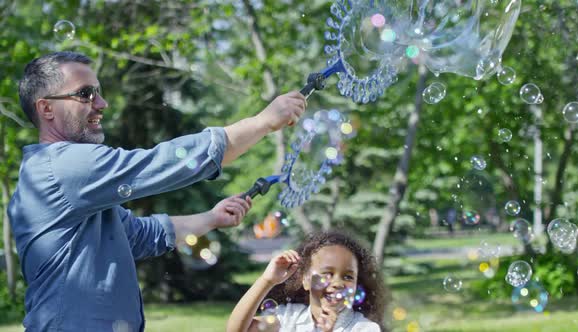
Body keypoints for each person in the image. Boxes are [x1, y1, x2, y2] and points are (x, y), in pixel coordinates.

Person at [7, 51, 306, 331]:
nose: (101, 104)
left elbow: (138, 235)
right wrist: (263, 121)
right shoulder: (62, 167)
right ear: (46, 107)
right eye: (86, 94)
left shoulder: (71, 186)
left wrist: (212, 218)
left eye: (98, 92)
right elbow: (162, 163)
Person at [227, 231, 387, 332]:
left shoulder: (365, 328)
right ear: (306, 280)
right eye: (327, 273)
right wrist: (267, 280)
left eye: (348, 277)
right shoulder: (289, 318)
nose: (338, 283)